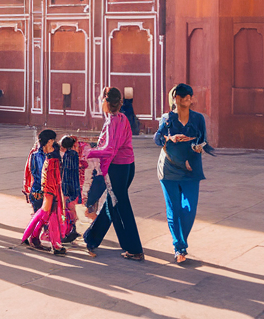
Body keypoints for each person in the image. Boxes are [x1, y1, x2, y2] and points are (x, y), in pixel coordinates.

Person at [82, 86, 145, 261]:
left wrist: (89, 152)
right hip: (128, 166)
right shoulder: (123, 117)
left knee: (120, 207)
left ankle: (134, 248)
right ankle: (91, 238)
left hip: (117, 168)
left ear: (105, 102)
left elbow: (110, 150)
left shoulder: (112, 121)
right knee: (112, 202)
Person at [154, 83, 212, 264]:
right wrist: (169, 138)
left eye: (190, 96)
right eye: (184, 96)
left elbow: (204, 141)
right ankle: (179, 247)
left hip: (191, 169)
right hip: (169, 169)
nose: (189, 98)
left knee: (189, 209)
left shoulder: (198, 118)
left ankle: (181, 241)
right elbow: (157, 139)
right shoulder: (167, 118)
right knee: (174, 209)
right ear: (176, 98)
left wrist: (196, 147)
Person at [20, 130, 65, 253]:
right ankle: (37, 239)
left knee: (44, 217)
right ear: (49, 141)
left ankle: (31, 237)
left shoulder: (54, 154)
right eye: (52, 140)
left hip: (50, 191)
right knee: (44, 217)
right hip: (41, 191)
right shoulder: (35, 155)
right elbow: (34, 173)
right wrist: (35, 190)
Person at [60, 135, 82, 243]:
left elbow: (67, 172)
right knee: (72, 210)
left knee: (68, 210)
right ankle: (71, 229)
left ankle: (68, 231)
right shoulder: (74, 154)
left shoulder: (67, 156)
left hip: (68, 186)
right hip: (74, 185)